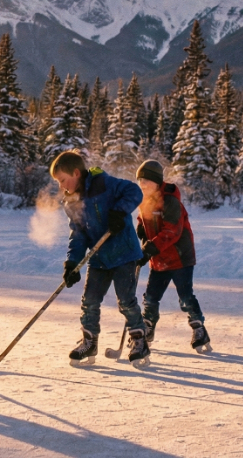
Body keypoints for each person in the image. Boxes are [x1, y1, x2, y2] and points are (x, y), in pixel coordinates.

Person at [51, 150, 149, 368]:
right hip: (99, 257)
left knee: (126, 300)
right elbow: (78, 236)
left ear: (76, 173)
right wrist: (71, 264)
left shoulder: (104, 184)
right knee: (90, 301)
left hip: (124, 253)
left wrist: (118, 212)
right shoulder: (71, 203)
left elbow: (134, 192)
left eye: (63, 180)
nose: (61, 186)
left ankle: (139, 340)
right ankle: (89, 341)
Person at [133, 160, 211, 354]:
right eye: (140, 180)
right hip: (159, 260)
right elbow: (144, 217)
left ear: (157, 181)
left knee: (185, 297)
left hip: (180, 257)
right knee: (150, 298)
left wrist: (150, 249)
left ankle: (199, 329)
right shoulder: (144, 201)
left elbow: (172, 231)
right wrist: (141, 227)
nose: (143, 184)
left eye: (147, 181)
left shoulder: (170, 201)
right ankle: (147, 330)